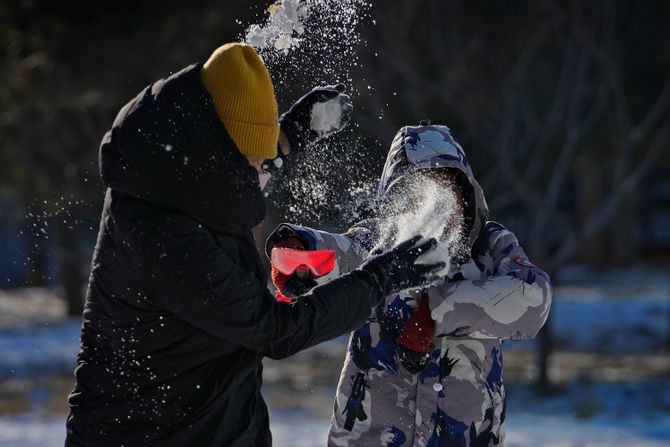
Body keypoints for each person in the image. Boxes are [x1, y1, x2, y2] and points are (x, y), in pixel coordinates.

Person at [65, 43, 445, 446]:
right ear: (218, 156)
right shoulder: (165, 238)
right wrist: (378, 280)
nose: (262, 176)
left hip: (212, 425)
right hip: (149, 435)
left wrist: (287, 136)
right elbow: (275, 330)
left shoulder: (174, 172)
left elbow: (232, 159)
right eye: (253, 164)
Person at [267, 123, 553, 446]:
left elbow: (534, 298)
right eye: (416, 196)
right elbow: (341, 252)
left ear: (466, 196)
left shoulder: (488, 248)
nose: (436, 212)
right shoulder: (381, 243)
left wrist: (436, 310)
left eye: (445, 193)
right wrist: (302, 252)